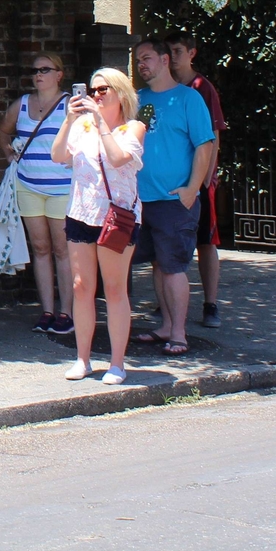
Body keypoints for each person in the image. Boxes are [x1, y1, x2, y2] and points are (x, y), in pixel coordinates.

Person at [50, 68, 145, 385]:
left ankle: (117, 363)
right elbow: (58, 155)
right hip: (81, 213)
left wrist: (101, 121)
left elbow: (118, 159)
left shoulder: (133, 128)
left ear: (120, 93)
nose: (96, 96)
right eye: (92, 90)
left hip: (115, 219)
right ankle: (83, 358)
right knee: (81, 286)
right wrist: (68, 120)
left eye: (103, 90)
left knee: (115, 288)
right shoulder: (82, 127)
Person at [131, 39, 216, 357]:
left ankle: (179, 334)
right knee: (158, 264)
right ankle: (165, 325)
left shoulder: (188, 99)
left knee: (174, 266)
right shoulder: (138, 99)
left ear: (165, 60)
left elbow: (204, 145)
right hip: (142, 200)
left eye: (147, 58)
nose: (142, 64)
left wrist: (192, 189)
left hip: (173, 200)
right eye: (138, 59)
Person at [0, 53, 74, 335]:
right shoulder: (23, 104)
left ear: (59, 74)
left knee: (63, 250)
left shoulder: (70, 105)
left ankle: (67, 311)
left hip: (62, 188)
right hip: (28, 185)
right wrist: (9, 154)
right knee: (40, 249)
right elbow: (3, 132)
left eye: (45, 70)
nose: (38, 75)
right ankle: (47, 310)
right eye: (35, 70)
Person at [167, 33, 227, 328]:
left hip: (198, 179)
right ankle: (167, 304)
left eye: (178, 51)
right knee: (167, 239)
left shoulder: (202, 88)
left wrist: (206, 178)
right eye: (169, 51)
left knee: (205, 241)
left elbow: (214, 135)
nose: (173, 57)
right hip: (171, 178)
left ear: (192, 53)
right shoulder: (164, 88)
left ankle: (211, 303)